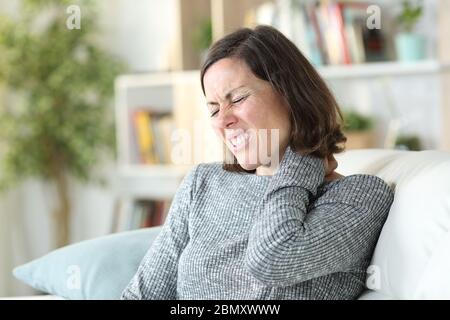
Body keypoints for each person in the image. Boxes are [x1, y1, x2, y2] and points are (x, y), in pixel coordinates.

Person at [121, 25, 394, 300]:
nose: (222, 119)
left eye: (237, 99)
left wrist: (301, 162)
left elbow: (271, 259)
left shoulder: (360, 196)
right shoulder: (202, 183)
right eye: (213, 108)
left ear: (290, 94)